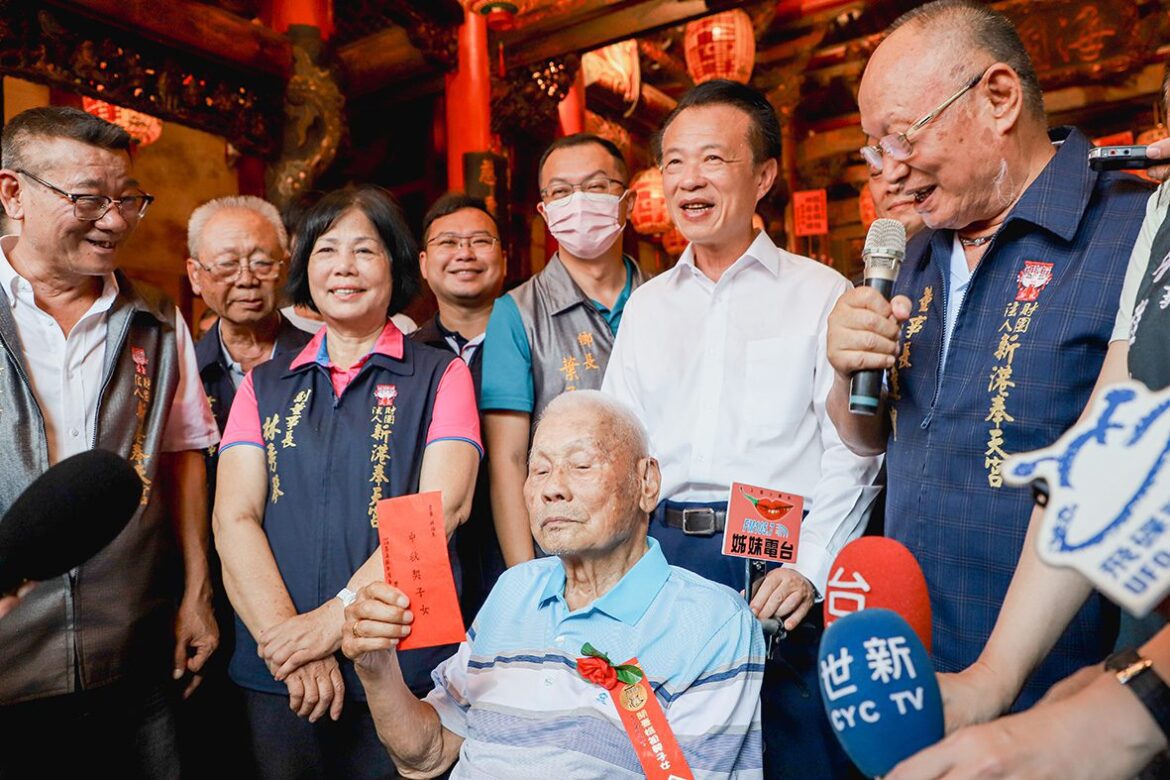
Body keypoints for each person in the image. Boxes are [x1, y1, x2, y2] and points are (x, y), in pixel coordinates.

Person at [824, 0, 1153, 708]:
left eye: (902, 138)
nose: (890, 171)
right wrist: (846, 371)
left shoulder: (1133, 231)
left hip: (1075, 688)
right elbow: (870, 436)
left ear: (998, 98)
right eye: (874, 149)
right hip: (915, 655)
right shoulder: (908, 256)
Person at [601, 79, 882, 778]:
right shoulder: (646, 309)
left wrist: (812, 569)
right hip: (662, 560)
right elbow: (618, 446)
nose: (688, 180)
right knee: (665, 755)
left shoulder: (822, 293)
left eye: (713, 161)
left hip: (776, 563)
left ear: (763, 176)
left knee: (791, 755)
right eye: (673, 162)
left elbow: (853, 455)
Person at [343, 390, 766, 778]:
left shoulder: (713, 623)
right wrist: (376, 666)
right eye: (539, 469)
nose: (552, 489)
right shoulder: (514, 591)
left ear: (646, 482)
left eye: (581, 466)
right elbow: (427, 753)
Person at [212, 185, 481, 779]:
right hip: (278, 670)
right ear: (305, 268)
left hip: (403, 660)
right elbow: (233, 518)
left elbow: (442, 511)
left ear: (396, 266)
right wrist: (290, 642)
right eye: (326, 249)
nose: (344, 267)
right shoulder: (264, 384)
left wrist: (330, 624)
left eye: (365, 250)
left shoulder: (441, 375)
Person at [0, 106, 220, 777]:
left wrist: (196, 595)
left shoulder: (155, 317)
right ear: (12, 192)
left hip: (134, 654)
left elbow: (182, 458)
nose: (116, 220)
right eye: (89, 198)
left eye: (127, 198)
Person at [184, 194, 311, 774]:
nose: (247, 279)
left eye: (262, 261)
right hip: (207, 596)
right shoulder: (176, 367)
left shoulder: (322, 357)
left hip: (302, 597)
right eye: (227, 264)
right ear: (195, 275)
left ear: (286, 265)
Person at [481, 132, 645, 569]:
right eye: (561, 192)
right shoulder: (515, 314)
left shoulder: (665, 300)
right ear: (544, 211)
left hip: (656, 537)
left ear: (627, 201)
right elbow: (509, 459)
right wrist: (524, 575)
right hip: (565, 549)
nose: (578, 202)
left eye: (595, 187)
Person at [413, 193, 506, 622]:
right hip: (433, 560)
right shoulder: (404, 356)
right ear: (424, 263)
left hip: (519, 547)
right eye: (448, 242)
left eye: (479, 241)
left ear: (504, 257)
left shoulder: (534, 342)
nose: (464, 253)